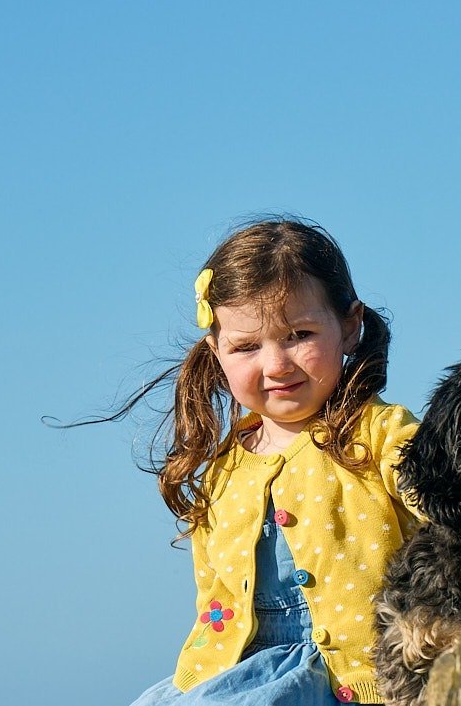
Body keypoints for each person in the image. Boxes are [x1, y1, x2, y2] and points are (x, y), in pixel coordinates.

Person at [123, 219, 421, 705]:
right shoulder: (223, 469)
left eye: (298, 334)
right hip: (238, 673)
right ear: (216, 352)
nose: (276, 364)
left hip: (360, 676)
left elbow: (454, 505)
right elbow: (213, 599)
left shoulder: (379, 434)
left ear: (348, 326)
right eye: (246, 347)